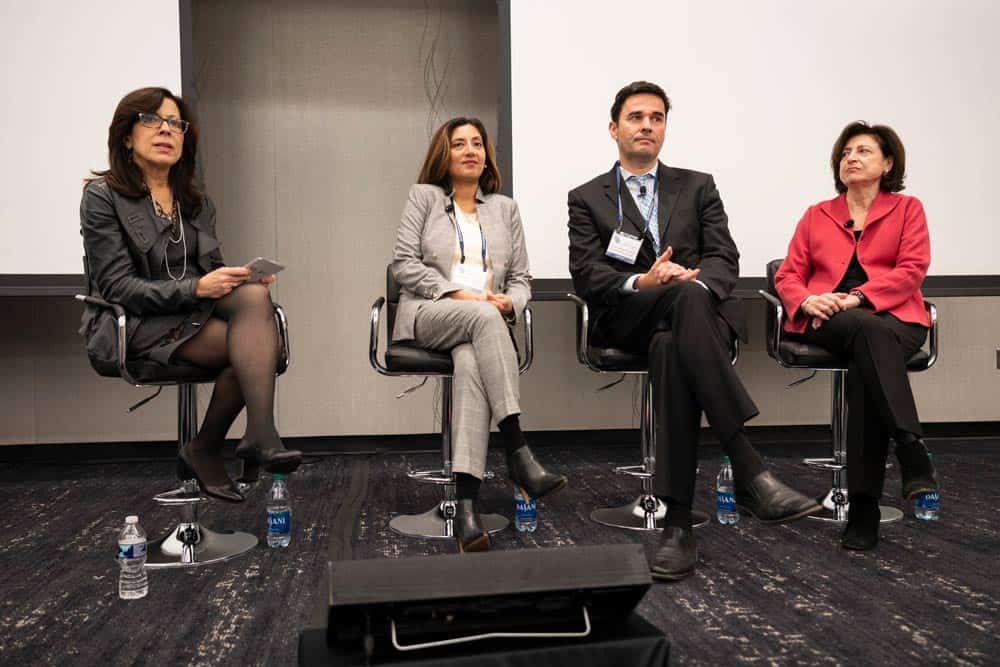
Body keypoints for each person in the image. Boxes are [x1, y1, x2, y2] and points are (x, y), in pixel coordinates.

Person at [567, 81, 820, 581]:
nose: (647, 125)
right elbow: (587, 273)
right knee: (676, 307)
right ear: (614, 128)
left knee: (671, 344)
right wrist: (645, 280)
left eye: (656, 117)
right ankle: (747, 465)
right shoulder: (587, 197)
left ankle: (678, 526)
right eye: (636, 117)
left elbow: (724, 257)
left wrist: (695, 284)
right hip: (627, 318)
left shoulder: (699, 185)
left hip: (690, 318)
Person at [80, 87, 302, 502]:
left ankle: (246, 436)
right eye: (152, 120)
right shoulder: (102, 196)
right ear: (126, 137)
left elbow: (209, 270)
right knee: (256, 350)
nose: (166, 130)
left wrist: (238, 280)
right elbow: (117, 287)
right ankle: (225, 442)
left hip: (190, 316)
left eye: (175, 123)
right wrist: (198, 287)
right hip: (136, 323)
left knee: (254, 302)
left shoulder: (195, 202)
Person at [392, 117, 567, 553]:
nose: (470, 151)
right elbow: (403, 264)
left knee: (471, 362)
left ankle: (467, 508)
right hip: (432, 310)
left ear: (486, 155)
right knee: (484, 318)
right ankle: (517, 448)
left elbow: (522, 278)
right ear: (444, 154)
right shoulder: (424, 197)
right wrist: (459, 293)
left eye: (477, 143)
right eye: (459, 144)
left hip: (483, 322)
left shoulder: (505, 208)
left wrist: (511, 302)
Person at [774, 121, 936, 550]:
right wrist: (808, 300)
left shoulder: (908, 209)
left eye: (863, 151)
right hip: (833, 319)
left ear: (888, 163)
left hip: (897, 318)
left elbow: (912, 270)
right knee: (867, 332)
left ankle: (864, 510)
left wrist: (860, 297)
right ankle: (910, 447)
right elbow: (788, 275)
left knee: (869, 357)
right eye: (846, 152)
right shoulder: (817, 214)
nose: (851, 158)